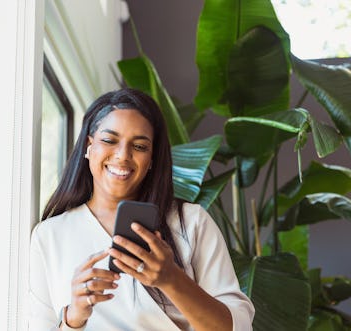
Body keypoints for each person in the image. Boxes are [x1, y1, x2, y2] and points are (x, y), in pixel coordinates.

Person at [29, 88, 255, 331]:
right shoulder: (49, 236)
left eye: (139, 146)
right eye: (109, 140)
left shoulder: (191, 222)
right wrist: (73, 318)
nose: (123, 156)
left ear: (151, 160)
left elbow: (236, 328)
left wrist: (171, 278)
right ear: (89, 145)